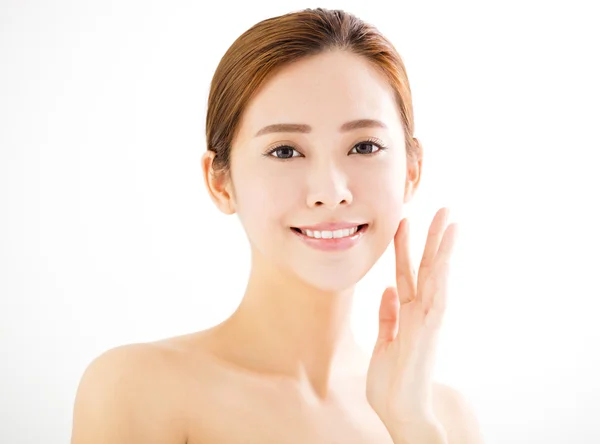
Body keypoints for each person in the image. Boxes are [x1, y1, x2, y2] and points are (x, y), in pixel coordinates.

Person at [70, 7, 484, 444]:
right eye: (285, 151)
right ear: (220, 182)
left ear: (411, 170)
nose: (330, 190)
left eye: (364, 146)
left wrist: (410, 425)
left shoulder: (442, 418)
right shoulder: (137, 390)